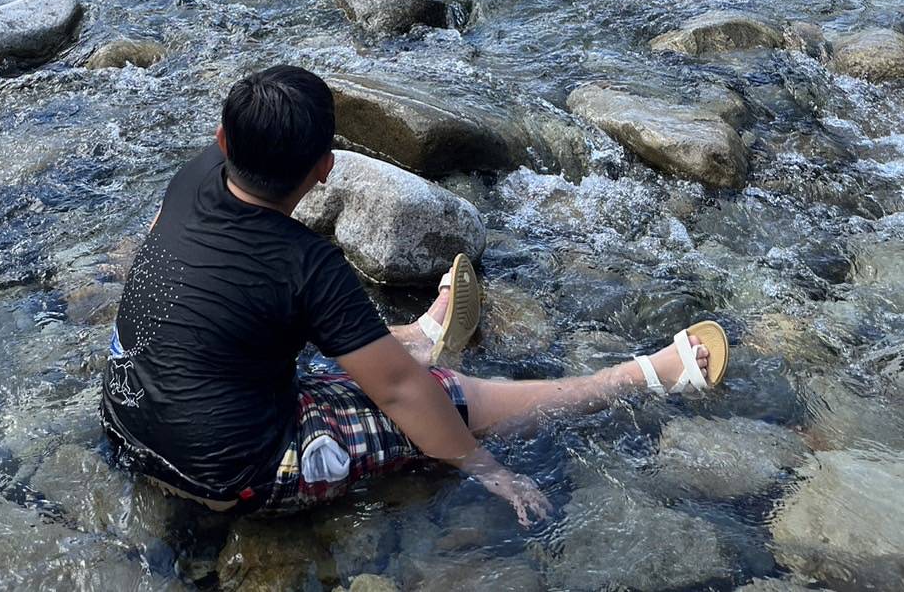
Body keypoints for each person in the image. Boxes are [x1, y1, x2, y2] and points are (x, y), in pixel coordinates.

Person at [101, 67, 727, 523]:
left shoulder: (192, 179)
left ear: (222, 140)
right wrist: (486, 469)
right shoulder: (305, 264)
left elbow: (184, 286)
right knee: (447, 398)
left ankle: (420, 338)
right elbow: (402, 394)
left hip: (128, 421)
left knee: (269, 332)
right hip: (236, 474)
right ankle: (640, 377)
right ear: (325, 169)